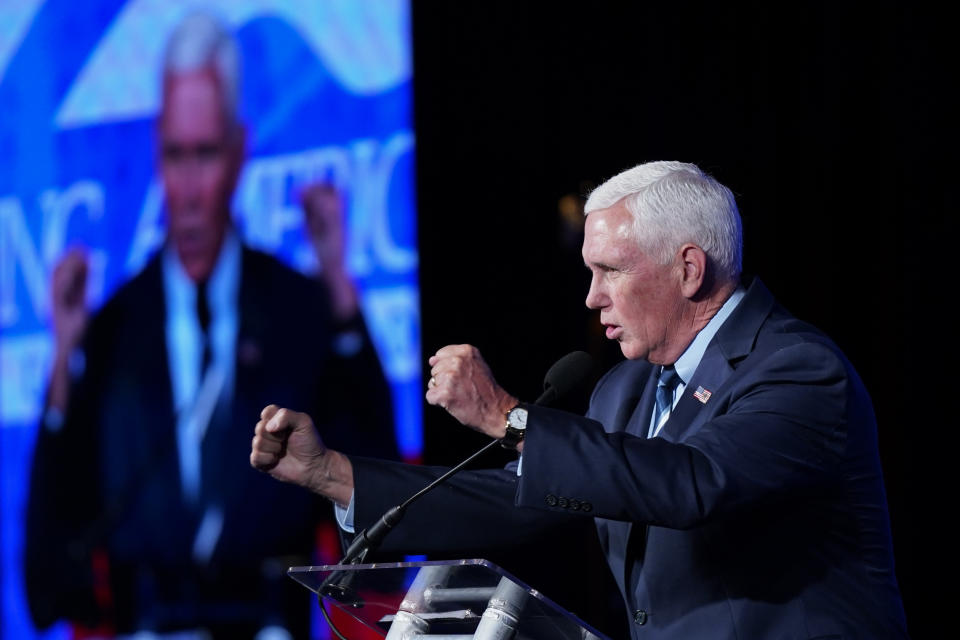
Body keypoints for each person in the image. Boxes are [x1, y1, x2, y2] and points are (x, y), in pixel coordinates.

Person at [251, 160, 909, 638]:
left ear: (688, 268)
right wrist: (331, 475)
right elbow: (518, 499)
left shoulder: (797, 370)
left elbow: (691, 482)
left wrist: (506, 416)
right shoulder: (624, 390)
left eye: (611, 272)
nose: (591, 298)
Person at [25, 11, 398, 639]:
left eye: (206, 154)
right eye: (175, 156)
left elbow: (375, 471)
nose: (191, 187)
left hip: (267, 622)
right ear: (155, 154)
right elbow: (58, 532)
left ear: (239, 151)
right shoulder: (113, 324)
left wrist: (339, 287)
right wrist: (63, 361)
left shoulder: (299, 307)